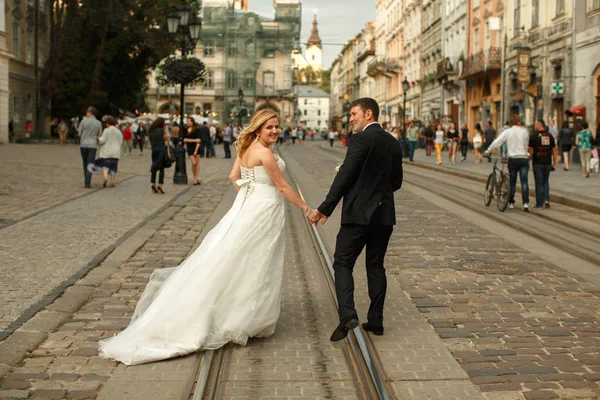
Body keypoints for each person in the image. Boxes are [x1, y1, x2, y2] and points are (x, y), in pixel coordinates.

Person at [99, 109, 312, 365]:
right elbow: (282, 186)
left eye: (277, 126)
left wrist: (250, 194)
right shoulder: (265, 153)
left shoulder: (245, 147)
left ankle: (242, 313)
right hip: (263, 209)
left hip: (249, 206)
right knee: (256, 260)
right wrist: (307, 209)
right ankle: (244, 318)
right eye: (270, 127)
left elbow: (234, 177)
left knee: (234, 257)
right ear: (258, 128)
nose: (275, 131)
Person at [308, 98, 402, 342]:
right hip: (384, 215)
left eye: (353, 114)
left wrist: (325, 208)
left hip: (358, 214)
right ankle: (376, 321)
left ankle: (348, 314)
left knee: (343, 263)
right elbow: (397, 182)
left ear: (368, 114)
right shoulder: (393, 142)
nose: (350, 119)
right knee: (375, 265)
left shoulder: (361, 139)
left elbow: (345, 176)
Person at [485, 115, 530, 211]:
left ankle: (511, 202)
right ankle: (525, 203)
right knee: (524, 182)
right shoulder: (525, 131)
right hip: (523, 158)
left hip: (513, 159)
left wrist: (488, 150)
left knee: (512, 182)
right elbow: (526, 144)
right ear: (518, 122)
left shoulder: (508, 132)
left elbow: (497, 142)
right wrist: (526, 152)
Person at [528, 119, 557, 208]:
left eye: (535, 125)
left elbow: (530, 150)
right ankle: (546, 200)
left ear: (538, 125)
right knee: (545, 181)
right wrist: (554, 161)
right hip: (547, 162)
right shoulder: (550, 136)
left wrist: (527, 158)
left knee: (539, 182)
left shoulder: (534, 136)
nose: (534, 126)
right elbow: (554, 150)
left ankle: (539, 203)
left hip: (538, 162)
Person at [88, 116, 123, 188]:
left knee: (105, 165)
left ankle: (105, 177)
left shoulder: (107, 130)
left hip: (107, 152)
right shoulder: (119, 131)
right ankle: (112, 181)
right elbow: (121, 142)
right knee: (114, 167)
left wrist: (98, 138)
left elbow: (102, 141)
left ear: (107, 123)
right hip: (116, 153)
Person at [78, 107, 103, 188]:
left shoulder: (83, 121)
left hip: (83, 144)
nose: (86, 114)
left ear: (90, 113)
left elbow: (79, 134)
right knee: (90, 163)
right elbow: (99, 135)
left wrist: (84, 136)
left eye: (87, 112)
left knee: (84, 162)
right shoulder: (98, 123)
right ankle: (88, 181)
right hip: (93, 145)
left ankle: (86, 179)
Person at [149, 118, 168, 194]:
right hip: (161, 150)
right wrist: (165, 131)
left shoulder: (151, 131)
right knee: (161, 168)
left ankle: (153, 183)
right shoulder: (161, 130)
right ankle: (160, 185)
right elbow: (165, 139)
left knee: (154, 166)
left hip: (154, 150)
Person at [184, 117, 201, 185]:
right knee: (193, 163)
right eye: (187, 121)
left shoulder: (196, 130)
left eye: (189, 121)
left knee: (197, 163)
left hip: (196, 148)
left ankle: (195, 178)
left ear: (192, 122)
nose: (187, 123)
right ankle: (195, 177)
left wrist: (196, 150)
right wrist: (194, 140)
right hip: (189, 148)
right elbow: (184, 140)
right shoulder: (185, 130)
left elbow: (199, 141)